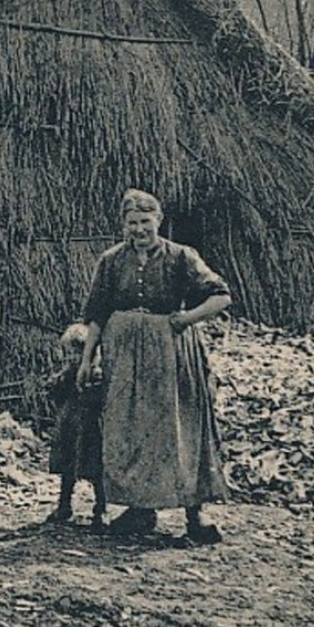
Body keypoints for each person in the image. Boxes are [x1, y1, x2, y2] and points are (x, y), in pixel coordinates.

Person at [77, 189, 233, 544]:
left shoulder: (181, 257)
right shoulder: (112, 261)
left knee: (180, 427)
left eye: (145, 222)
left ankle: (196, 513)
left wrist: (187, 318)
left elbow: (221, 295)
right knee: (132, 428)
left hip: (172, 355)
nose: (138, 230)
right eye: (131, 224)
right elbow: (97, 314)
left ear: (158, 221)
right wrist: (88, 358)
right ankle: (140, 511)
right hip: (124, 357)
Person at [44, 323, 106, 530]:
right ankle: (64, 506)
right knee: (67, 468)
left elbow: (100, 399)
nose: (71, 357)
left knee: (95, 469)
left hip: (89, 428)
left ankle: (100, 509)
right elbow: (57, 393)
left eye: (75, 352)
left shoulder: (96, 374)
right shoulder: (70, 372)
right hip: (69, 427)